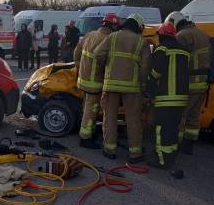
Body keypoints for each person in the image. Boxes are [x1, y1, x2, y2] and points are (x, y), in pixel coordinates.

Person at [93, 14, 151, 162]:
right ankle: (135, 153)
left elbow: (98, 54)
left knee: (110, 117)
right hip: (132, 88)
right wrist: (143, 87)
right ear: (138, 26)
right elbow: (145, 68)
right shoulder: (141, 42)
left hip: (111, 85)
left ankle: (110, 150)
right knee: (133, 120)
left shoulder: (113, 37)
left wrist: (106, 66)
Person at [165, 11, 212, 155]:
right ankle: (188, 145)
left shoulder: (182, 36)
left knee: (180, 115)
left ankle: (176, 145)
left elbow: (175, 59)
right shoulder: (202, 34)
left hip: (189, 83)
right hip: (202, 83)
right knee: (193, 116)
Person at [74, 13, 120, 149]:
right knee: (91, 109)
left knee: (87, 107)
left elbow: (76, 52)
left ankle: (88, 131)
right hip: (95, 82)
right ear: (113, 26)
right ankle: (85, 138)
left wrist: (79, 68)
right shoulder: (108, 39)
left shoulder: (90, 34)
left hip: (83, 80)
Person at [147, 22, 190, 169]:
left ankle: (161, 160)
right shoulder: (185, 51)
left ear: (161, 35)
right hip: (181, 98)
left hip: (165, 97)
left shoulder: (162, 49)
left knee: (160, 129)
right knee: (173, 128)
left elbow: (155, 73)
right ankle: (171, 155)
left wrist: (149, 89)